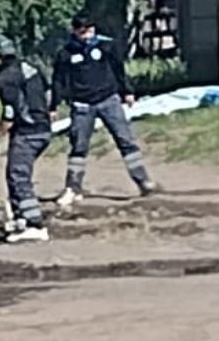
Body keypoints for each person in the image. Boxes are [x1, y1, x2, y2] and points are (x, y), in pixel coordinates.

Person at [51, 12, 159, 205]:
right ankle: (73, 188)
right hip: (82, 104)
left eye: (91, 30)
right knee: (79, 146)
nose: (88, 35)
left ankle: (143, 181)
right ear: (75, 32)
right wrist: (54, 106)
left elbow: (119, 70)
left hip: (109, 100)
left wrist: (128, 91)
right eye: (83, 32)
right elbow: (58, 81)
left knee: (125, 140)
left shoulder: (106, 46)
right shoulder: (65, 53)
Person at [0, 34, 52, 243]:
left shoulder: (6, 78)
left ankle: (34, 224)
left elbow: (10, 113)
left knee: (18, 176)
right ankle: (21, 219)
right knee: (15, 173)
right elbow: (48, 93)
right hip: (44, 128)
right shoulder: (30, 67)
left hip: (27, 132)